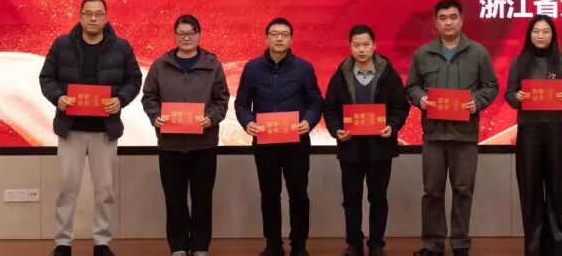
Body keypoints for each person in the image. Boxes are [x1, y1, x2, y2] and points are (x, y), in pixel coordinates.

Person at [38, 0, 142, 256]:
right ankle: (63, 243)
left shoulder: (121, 47)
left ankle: (102, 242)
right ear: (80, 16)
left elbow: (134, 79)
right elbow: (46, 78)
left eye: (98, 14)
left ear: (106, 18)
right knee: (67, 187)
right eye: (88, 13)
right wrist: (58, 97)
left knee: (105, 190)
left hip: (105, 130)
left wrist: (121, 100)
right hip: (71, 128)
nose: (93, 18)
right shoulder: (62, 45)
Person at [406, 0, 499, 256]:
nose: (448, 22)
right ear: (436, 23)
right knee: (432, 192)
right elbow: (412, 86)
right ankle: (432, 244)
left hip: (465, 136)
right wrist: (420, 99)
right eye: (443, 18)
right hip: (434, 135)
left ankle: (460, 244)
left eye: (453, 17)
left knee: (463, 191)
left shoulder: (478, 53)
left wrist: (476, 102)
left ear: (462, 20)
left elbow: (490, 86)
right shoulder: (423, 54)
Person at [141, 14, 231, 256]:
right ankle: (178, 246)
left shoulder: (212, 64)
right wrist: (155, 116)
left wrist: (211, 118)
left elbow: (222, 99)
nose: (186, 38)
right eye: (181, 33)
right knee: (175, 198)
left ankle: (200, 245)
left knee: (202, 198)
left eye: (191, 33)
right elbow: (149, 97)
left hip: (204, 145)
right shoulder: (161, 65)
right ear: (175, 35)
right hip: (170, 145)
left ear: (199, 34)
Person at [235, 17, 324, 256]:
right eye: (274, 34)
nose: (279, 38)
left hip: (296, 142)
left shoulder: (303, 68)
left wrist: (309, 121)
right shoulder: (252, 68)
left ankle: (299, 246)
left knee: (298, 194)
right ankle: (273, 245)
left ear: (291, 39)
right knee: (270, 195)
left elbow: (316, 102)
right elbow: (241, 104)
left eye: (284, 34)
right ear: (266, 38)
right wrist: (248, 122)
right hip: (265, 143)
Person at [323, 24, 411, 256]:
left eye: (366, 44)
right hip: (350, 148)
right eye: (356, 45)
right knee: (351, 199)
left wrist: (392, 126)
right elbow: (330, 108)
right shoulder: (340, 75)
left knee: (378, 198)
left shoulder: (388, 74)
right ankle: (354, 243)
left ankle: (376, 243)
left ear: (374, 46)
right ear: (350, 47)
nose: (361, 49)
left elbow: (401, 106)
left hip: (380, 147)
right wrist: (336, 130)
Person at [504, 15, 562, 256]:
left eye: (545, 31)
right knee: (530, 192)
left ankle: (557, 248)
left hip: (557, 132)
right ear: (529, 34)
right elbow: (509, 93)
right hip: (529, 132)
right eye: (536, 31)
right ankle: (533, 248)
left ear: (553, 35)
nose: (541, 36)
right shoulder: (520, 62)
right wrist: (516, 98)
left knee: (557, 190)